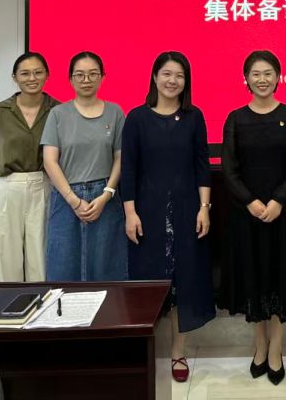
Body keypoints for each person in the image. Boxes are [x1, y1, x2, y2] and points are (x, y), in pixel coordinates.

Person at [121, 51, 215, 383]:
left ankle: (178, 351)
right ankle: (149, 347)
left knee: (184, 281)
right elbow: (128, 169)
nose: (172, 81)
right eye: (166, 74)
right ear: (154, 77)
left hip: (188, 210)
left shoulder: (194, 117)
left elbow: (202, 165)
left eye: (179, 75)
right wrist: (130, 212)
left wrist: (204, 208)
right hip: (147, 212)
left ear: (186, 81)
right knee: (150, 283)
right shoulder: (136, 118)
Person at [221, 50, 286, 386]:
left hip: (283, 215)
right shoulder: (235, 118)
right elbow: (229, 169)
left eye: (268, 73)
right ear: (246, 78)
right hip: (247, 215)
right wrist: (250, 202)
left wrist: (277, 201)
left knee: (279, 277)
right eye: (256, 74)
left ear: (278, 77)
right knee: (253, 277)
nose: (262, 79)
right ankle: (259, 343)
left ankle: (276, 348)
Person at [41, 51, 126, 282]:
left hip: (105, 196)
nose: (86, 80)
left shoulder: (115, 112)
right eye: (79, 75)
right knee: (63, 267)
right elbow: (49, 160)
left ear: (102, 77)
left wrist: (107, 194)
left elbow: (120, 157)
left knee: (106, 266)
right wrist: (73, 200)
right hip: (66, 196)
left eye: (92, 74)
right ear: (70, 79)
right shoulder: (57, 114)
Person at [0, 51, 59, 282]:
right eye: (25, 73)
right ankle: (8, 302)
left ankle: (42, 302)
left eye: (38, 72)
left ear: (47, 75)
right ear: (15, 77)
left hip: (45, 184)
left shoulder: (58, 110)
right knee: (5, 254)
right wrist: (1, 184)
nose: (32, 78)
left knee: (42, 257)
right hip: (7, 185)